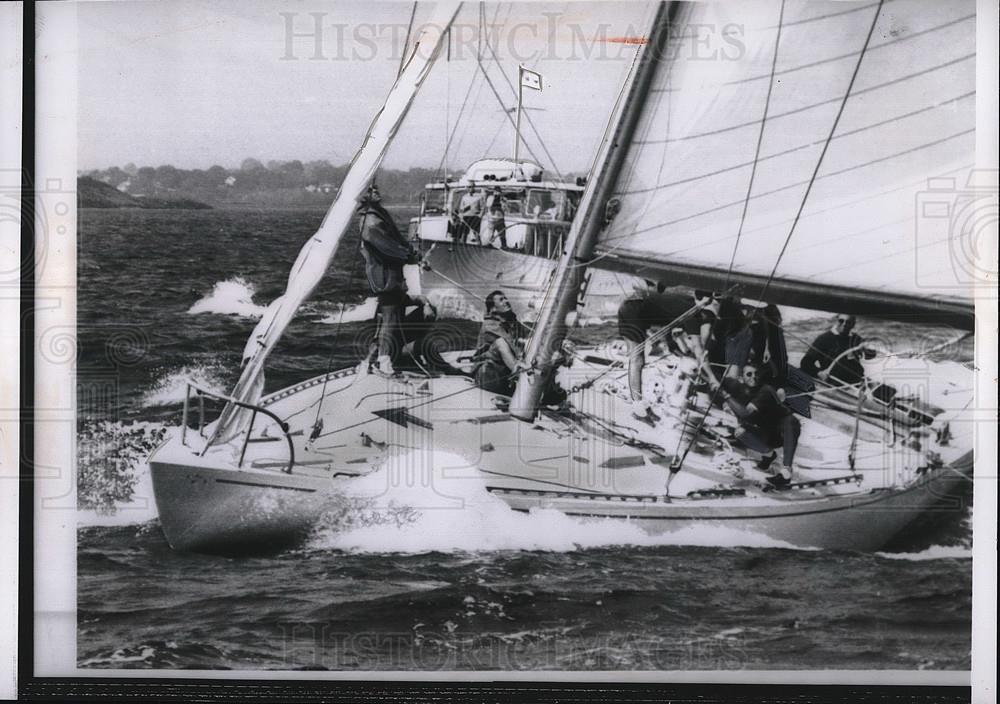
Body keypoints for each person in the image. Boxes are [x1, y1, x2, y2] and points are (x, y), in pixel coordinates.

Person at [617, 284, 718, 406]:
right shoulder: (693, 312)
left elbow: (670, 342)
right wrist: (712, 378)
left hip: (629, 306)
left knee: (636, 359)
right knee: (637, 360)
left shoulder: (684, 303)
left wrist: (683, 353)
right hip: (635, 308)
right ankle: (637, 405)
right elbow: (699, 349)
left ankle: (636, 400)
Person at [358, 183, 419, 375]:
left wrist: (409, 251)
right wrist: (408, 256)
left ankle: (374, 359)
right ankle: (383, 361)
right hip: (384, 274)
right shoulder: (370, 221)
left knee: (392, 315)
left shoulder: (379, 214)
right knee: (389, 317)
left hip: (393, 272)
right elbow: (386, 246)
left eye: (376, 189)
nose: (376, 192)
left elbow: (396, 240)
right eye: (371, 190)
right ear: (363, 195)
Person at [473, 290, 571, 405]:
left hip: (504, 377)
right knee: (500, 343)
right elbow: (512, 344)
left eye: (505, 298)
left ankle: (547, 389)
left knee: (544, 352)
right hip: (487, 375)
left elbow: (532, 338)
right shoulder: (490, 325)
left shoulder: (513, 323)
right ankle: (523, 378)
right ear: (493, 309)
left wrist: (556, 343)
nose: (506, 301)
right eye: (501, 300)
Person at [711, 363, 800, 488]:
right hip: (765, 431)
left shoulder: (765, 390)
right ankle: (769, 455)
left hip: (780, 432)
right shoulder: (739, 389)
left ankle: (786, 472)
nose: (754, 377)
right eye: (749, 374)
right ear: (741, 378)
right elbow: (716, 377)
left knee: (791, 420)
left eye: (756, 374)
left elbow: (745, 412)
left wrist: (726, 397)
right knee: (740, 432)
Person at [800, 314, 872, 385]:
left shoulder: (856, 339)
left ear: (853, 324)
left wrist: (869, 351)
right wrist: (819, 373)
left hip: (857, 382)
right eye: (841, 321)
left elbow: (870, 356)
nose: (844, 324)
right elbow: (805, 363)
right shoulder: (823, 339)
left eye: (848, 322)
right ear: (836, 321)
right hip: (835, 384)